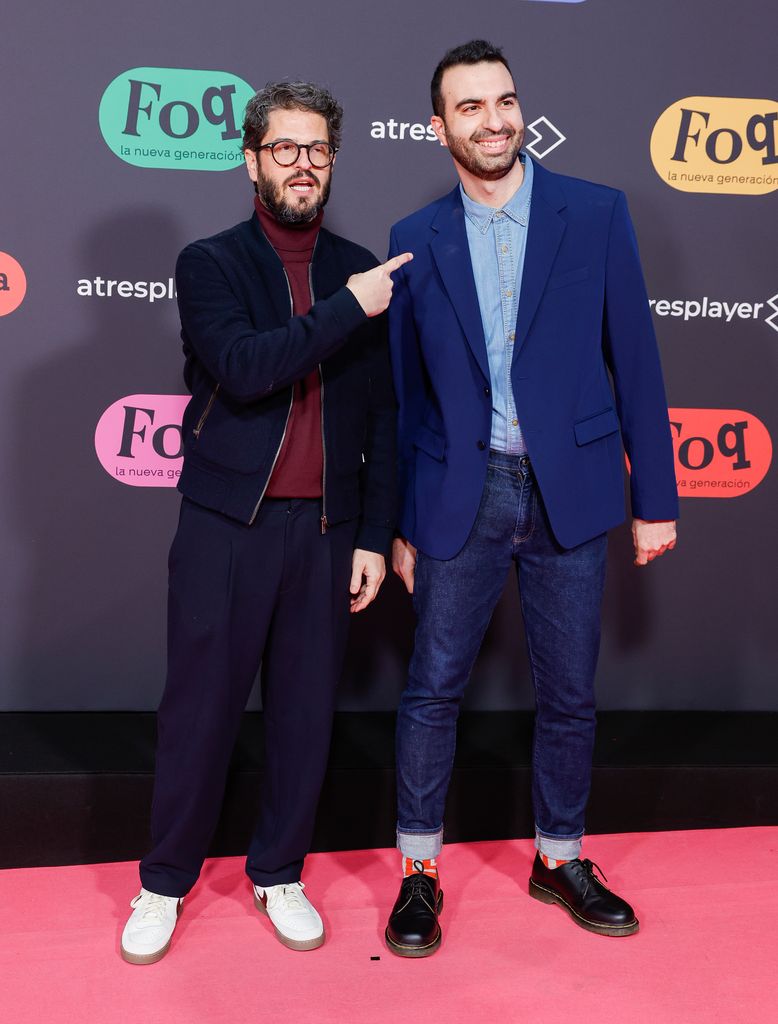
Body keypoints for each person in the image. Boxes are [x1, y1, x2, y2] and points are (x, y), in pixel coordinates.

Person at [384, 40, 678, 957]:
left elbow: (635, 359)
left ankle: (559, 858)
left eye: (504, 100)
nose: (494, 119)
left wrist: (656, 498)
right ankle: (419, 875)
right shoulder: (413, 238)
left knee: (570, 694)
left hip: (572, 492)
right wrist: (399, 521)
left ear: (521, 109)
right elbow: (404, 399)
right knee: (432, 691)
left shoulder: (595, 213)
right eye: (470, 107)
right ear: (440, 128)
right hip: (457, 496)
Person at [121, 80, 409, 964]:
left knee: (303, 715)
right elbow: (246, 369)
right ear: (251, 160)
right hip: (226, 526)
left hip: (324, 535)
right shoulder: (211, 263)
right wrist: (347, 309)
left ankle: (278, 870)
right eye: (284, 149)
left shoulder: (357, 265)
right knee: (201, 712)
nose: (303, 165)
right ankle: (163, 883)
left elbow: (385, 417)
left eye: (317, 150)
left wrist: (370, 531)